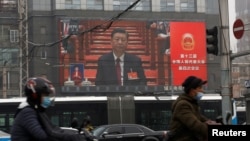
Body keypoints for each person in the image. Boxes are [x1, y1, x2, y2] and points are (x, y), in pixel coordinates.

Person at [10, 77, 86, 141]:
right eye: (45, 95)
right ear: (35, 96)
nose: (48, 98)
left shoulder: (37, 111)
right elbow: (43, 136)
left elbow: (53, 129)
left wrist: (75, 134)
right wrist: (73, 138)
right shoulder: (27, 112)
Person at [168, 76, 220, 141]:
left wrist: (212, 122)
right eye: (200, 88)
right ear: (192, 90)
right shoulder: (183, 105)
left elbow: (200, 118)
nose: (202, 90)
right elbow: (195, 125)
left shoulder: (192, 103)